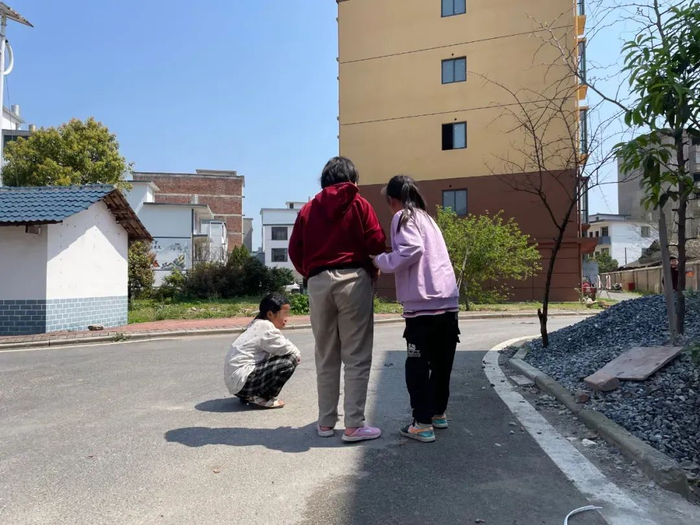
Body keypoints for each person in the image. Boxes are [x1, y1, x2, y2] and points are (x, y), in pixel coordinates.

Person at [289, 156, 387, 442]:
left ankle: (325, 422)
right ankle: (354, 424)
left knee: (326, 354)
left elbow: (295, 249)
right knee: (356, 355)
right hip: (353, 280)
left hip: (318, 282)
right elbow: (376, 241)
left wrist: (312, 272)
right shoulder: (359, 204)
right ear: (352, 179)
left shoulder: (308, 208)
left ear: (325, 180)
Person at [373, 175, 460, 443]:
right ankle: (437, 413)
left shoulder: (403, 216)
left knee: (417, 364)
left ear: (392, 200)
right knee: (442, 364)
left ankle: (422, 423)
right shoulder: (428, 219)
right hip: (447, 302)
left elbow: (412, 249)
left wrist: (380, 261)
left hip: (422, 306)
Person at [224, 293, 301, 409]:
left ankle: (249, 395)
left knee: (283, 358)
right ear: (270, 314)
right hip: (243, 382)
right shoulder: (265, 326)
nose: (286, 318)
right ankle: (262, 397)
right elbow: (286, 348)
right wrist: (298, 354)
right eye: (284, 314)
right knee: (290, 360)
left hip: (237, 384)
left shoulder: (257, 324)